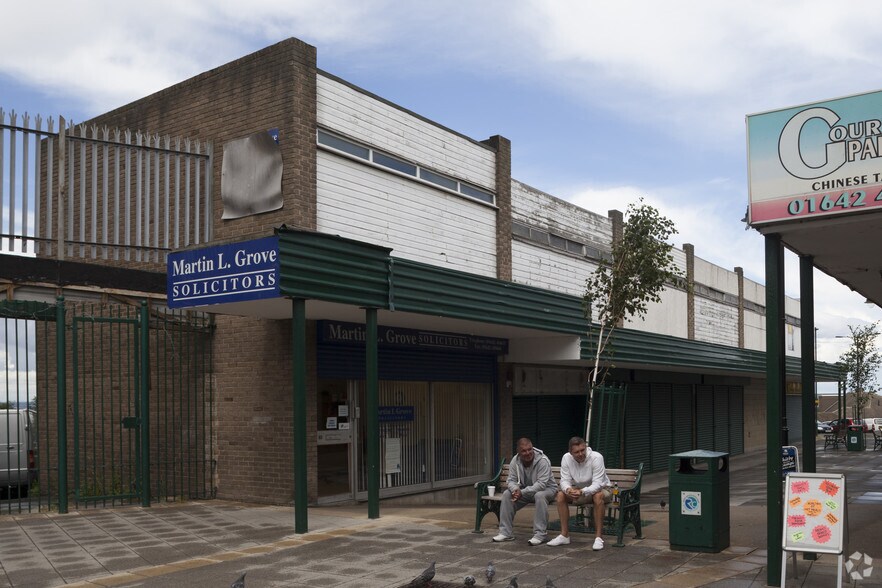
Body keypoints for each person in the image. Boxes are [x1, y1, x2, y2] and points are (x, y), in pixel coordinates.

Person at [547, 436, 611, 551]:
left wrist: (582, 491)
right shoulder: (566, 458)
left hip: (602, 488)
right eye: (577, 452)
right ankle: (564, 535)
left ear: (586, 447)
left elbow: (598, 484)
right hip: (580, 490)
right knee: (561, 495)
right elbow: (564, 480)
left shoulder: (597, 457)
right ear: (570, 453)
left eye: (583, 450)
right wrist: (569, 490)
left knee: (598, 496)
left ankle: (598, 538)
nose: (581, 454)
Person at [492, 437, 558, 546]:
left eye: (529, 449)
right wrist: (515, 490)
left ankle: (540, 535)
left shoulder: (542, 460)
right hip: (526, 491)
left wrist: (522, 492)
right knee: (507, 494)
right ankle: (505, 533)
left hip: (548, 490)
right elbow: (511, 480)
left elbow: (541, 485)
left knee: (540, 496)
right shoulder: (515, 460)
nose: (528, 453)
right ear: (518, 452)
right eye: (524, 450)